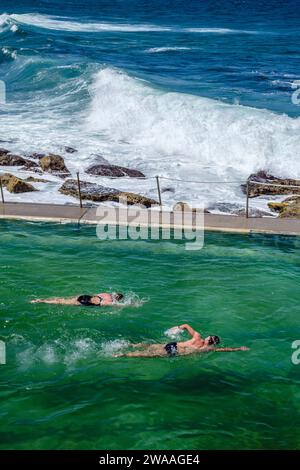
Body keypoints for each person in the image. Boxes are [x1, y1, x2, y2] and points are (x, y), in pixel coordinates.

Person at [116, 323, 249, 357]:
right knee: (148, 355)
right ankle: (124, 354)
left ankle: (130, 345)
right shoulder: (208, 349)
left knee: (150, 346)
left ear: (209, 337)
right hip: (175, 352)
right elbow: (224, 349)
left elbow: (186, 325)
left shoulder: (197, 336)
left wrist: (177, 328)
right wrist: (238, 349)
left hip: (173, 345)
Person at [30, 292, 124, 306]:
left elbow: (95, 295)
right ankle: (41, 301)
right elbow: (117, 305)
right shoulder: (109, 302)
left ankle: (42, 300)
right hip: (85, 301)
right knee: (62, 303)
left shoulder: (106, 294)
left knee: (63, 300)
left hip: (85, 296)